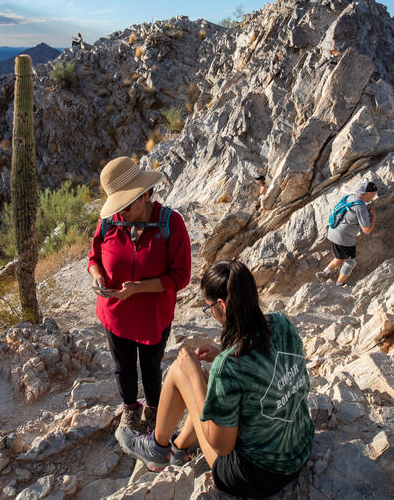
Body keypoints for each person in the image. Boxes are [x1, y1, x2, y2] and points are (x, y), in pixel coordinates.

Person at [119, 260, 313, 498]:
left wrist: (196, 378)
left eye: (209, 306)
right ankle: (178, 449)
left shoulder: (229, 366)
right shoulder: (281, 323)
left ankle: (157, 448)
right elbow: (263, 367)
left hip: (257, 475)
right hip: (298, 448)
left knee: (183, 371)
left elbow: (221, 445)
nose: (210, 311)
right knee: (211, 384)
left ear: (221, 304)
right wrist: (222, 354)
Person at [88, 157, 191, 436]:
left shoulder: (171, 223)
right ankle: (130, 410)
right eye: (119, 205)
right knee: (123, 366)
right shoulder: (110, 222)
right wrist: (97, 276)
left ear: (145, 194)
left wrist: (138, 288)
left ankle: (154, 411)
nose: (122, 211)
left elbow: (180, 276)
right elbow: (93, 257)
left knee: (150, 366)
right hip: (115, 313)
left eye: (128, 204)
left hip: (152, 316)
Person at [316, 180, 378, 286]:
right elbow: (367, 230)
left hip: (333, 230)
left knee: (340, 257)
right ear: (367, 193)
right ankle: (339, 285)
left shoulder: (351, 197)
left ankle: (324, 273)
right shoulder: (361, 208)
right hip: (344, 238)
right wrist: (373, 216)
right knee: (350, 262)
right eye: (373, 194)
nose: (373, 197)